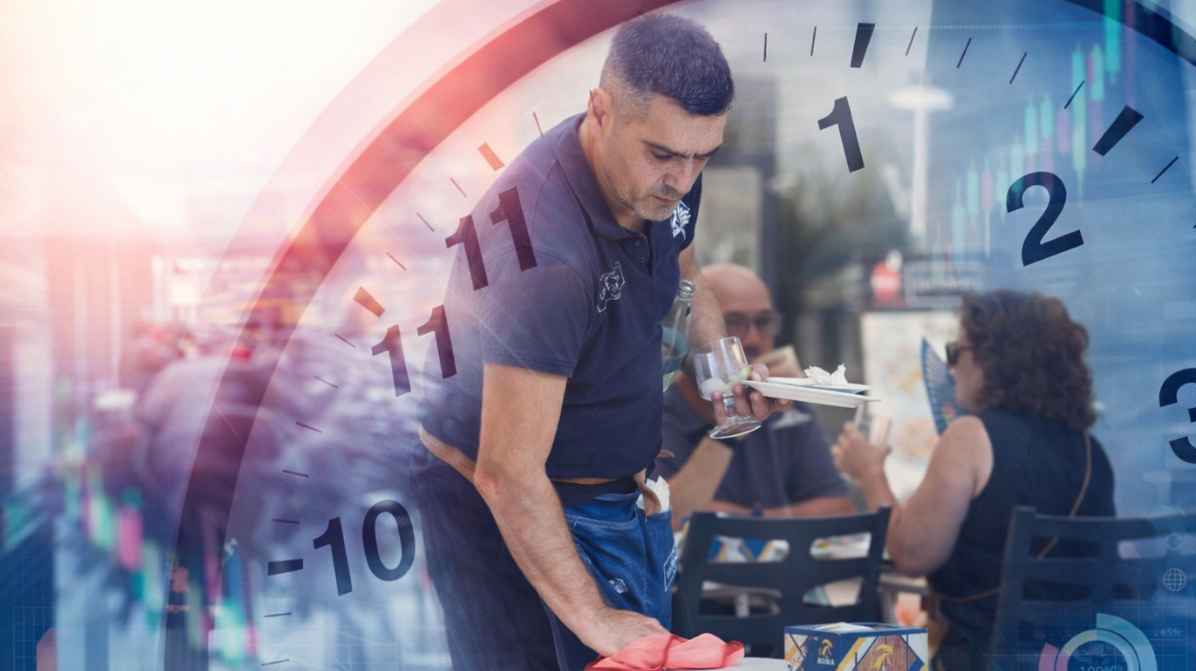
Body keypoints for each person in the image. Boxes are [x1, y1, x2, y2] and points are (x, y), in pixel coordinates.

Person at [411, 14, 788, 671]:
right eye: (664, 154)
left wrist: (723, 377)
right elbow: (508, 471)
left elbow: (687, 277)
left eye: (704, 155)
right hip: (507, 504)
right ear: (601, 110)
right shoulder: (543, 253)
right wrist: (596, 618)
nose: (682, 178)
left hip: (616, 501)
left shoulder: (667, 178)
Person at [831, 290, 1115, 669]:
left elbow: (912, 554)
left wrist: (869, 472)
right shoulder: (1090, 450)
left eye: (955, 351)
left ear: (991, 359)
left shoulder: (970, 437)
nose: (950, 367)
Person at [657, 263, 853, 529]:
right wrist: (731, 431)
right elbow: (665, 516)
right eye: (734, 322)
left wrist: (747, 521)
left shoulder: (786, 407)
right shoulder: (655, 410)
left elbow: (839, 510)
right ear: (691, 327)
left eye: (764, 322)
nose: (753, 339)